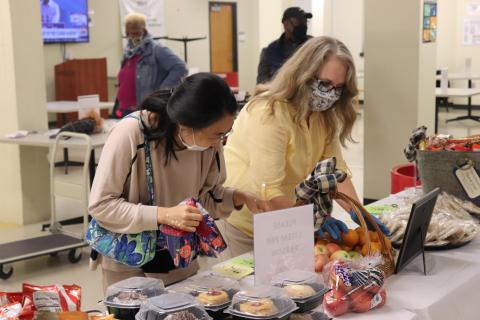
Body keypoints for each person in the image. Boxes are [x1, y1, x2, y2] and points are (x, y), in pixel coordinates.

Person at [89, 73, 267, 290]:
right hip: (128, 262)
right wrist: (164, 215)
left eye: (224, 134)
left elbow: (204, 200)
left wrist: (238, 197)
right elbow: (101, 205)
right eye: (215, 135)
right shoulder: (132, 133)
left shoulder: (208, 142)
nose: (218, 143)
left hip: (179, 259)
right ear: (186, 124)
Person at [220, 36, 389, 259]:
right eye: (325, 84)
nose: (330, 94)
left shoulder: (322, 116)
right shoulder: (269, 113)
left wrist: (358, 211)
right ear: (303, 75)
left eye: (338, 88)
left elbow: (335, 172)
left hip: (287, 218)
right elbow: (268, 191)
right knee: (248, 292)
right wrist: (312, 219)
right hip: (244, 224)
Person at [114, 13, 188, 118]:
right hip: (125, 109)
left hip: (144, 110)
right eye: (129, 33)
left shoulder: (156, 49)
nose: (132, 37)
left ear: (144, 30)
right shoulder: (129, 51)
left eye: (136, 32)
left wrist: (162, 91)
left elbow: (180, 67)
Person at [256, 7, 312, 84]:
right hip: (278, 95)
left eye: (305, 22)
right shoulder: (270, 51)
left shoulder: (314, 45)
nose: (302, 25)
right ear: (285, 24)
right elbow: (262, 83)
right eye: (297, 22)